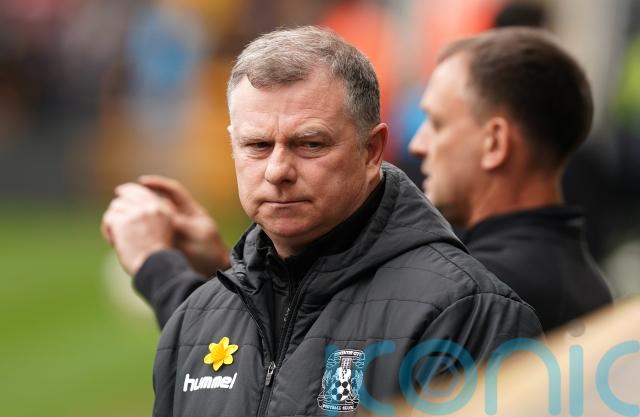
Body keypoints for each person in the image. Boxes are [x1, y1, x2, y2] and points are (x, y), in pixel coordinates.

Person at [102, 26, 541, 416]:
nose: (278, 170)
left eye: (309, 144)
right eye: (257, 145)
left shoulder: (465, 310)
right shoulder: (194, 321)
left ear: (372, 151)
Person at [407, 27, 612, 330]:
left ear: (495, 143)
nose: (417, 145)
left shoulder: (470, 290)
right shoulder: (594, 289)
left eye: (436, 124)